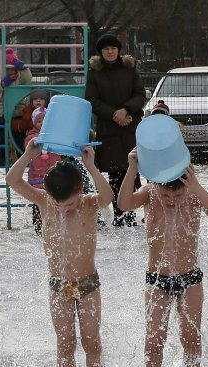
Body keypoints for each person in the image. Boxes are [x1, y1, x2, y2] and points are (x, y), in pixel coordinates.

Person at [6, 139, 114, 367]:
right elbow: (13, 180)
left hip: (88, 286)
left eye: (69, 204)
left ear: (80, 190)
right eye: (60, 204)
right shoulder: (45, 201)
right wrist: (28, 155)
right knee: (65, 344)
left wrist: (90, 166)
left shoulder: (89, 204)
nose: (64, 209)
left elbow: (108, 196)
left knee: (92, 342)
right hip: (58, 287)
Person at [118, 149, 208, 367]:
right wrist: (132, 168)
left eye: (177, 195)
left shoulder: (193, 196)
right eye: (167, 195)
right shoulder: (149, 194)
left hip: (190, 278)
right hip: (157, 280)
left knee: (190, 336)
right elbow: (123, 204)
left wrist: (195, 187)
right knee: (154, 337)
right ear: (156, 186)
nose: (171, 200)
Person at [85, 34, 146, 227]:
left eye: (113, 48)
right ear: (101, 52)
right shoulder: (95, 73)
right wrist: (113, 114)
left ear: (119, 50)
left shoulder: (130, 69)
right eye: (106, 49)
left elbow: (139, 94)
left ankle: (130, 213)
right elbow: (92, 100)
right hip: (108, 128)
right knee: (114, 173)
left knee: (132, 169)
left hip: (130, 126)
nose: (110, 52)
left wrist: (126, 110)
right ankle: (119, 214)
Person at [0, 48, 32, 165]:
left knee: (19, 136)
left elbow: (28, 79)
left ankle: (22, 156)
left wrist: (24, 69)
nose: (10, 71)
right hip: (1, 112)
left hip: (16, 112)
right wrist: (2, 83)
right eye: (7, 68)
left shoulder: (19, 77)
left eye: (12, 68)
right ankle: (0, 158)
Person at [24, 108, 61, 235]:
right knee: (38, 202)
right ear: (35, 123)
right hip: (37, 175)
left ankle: (55, 224)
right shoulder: (32, 136)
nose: (42, 123)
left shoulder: (55, 135)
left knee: (55, 200)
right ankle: (38, 227)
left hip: (53, 173)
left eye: (45, 120)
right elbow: (29, 146)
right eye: (39, 121)